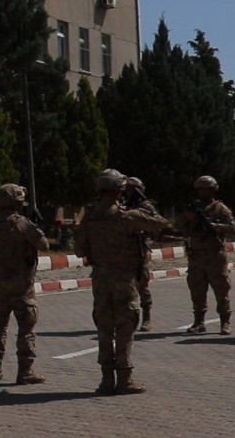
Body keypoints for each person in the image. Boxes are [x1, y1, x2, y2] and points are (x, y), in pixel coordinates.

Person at [74, 169, 171, 395]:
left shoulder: (89, 216)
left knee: (104, 328)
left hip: (100, 278)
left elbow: (79, 250)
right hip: (124, 278)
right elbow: (161, 224)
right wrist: (143, 204)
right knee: (126, 327)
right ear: (120, 190)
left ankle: (106, 380)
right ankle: (125, 379)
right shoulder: (128, 216)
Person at [0, 183, 48, 384]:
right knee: (26, 327)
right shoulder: (20, 223)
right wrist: (36, 228)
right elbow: (43, 245)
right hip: (20, 284)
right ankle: (25, 371)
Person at [179, 175, 235, 335]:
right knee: (197, 289)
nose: (204, 193)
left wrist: (214, 226)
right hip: (196, 255)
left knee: (221, 289)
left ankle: (225, 321)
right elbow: (180, 227)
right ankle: (199, 322)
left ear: (213, 190)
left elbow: (231, 227)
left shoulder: (220, 208)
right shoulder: (192, 208)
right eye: (201, 190)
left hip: (215, 254)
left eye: (207, 190)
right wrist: (187, 218)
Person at [121, 176, 161, 331]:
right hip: (124, 251)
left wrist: (147, 238)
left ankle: (147, 317)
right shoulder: (123, 205)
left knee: (142, 284)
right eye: (127, 189)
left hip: (139, 250)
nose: (129, 192)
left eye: (132, 189)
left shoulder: (146, 207)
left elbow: (157, 226)